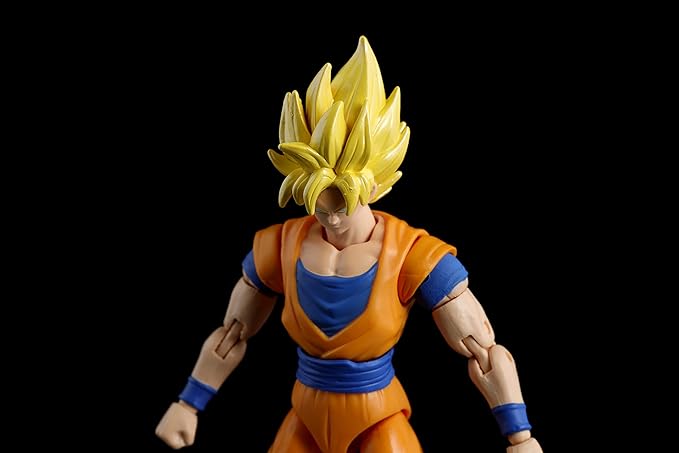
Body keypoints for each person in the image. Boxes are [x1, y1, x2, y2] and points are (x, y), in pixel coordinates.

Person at [156, 36, 543, 453]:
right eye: (315, 199)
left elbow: (483, 351)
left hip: (378, 420)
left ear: (375, 184)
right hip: (304, 416)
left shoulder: (413, 256)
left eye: (341, 199)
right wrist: (188, 403)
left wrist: (519, 434)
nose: (330, 216)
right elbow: (232, 334)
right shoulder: (281, 246)